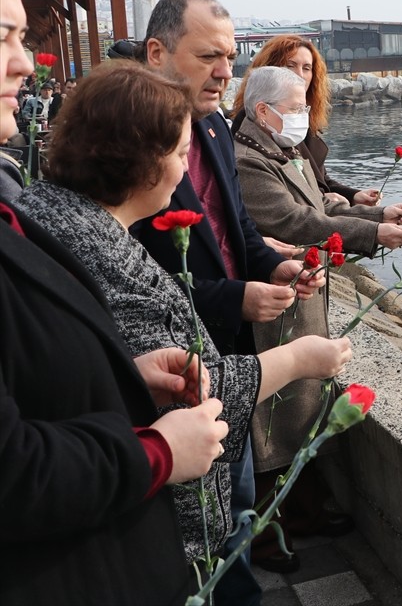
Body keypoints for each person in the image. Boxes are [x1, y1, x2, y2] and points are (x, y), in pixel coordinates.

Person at [16, 62, 352, 572]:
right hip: (150, 532)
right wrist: (300, 359)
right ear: (140, 161)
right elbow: (194, 393)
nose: (183, 173)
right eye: (178, 155)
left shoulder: (61, 219)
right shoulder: (92, 250)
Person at [1, 0, 228, 605]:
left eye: (22, 37)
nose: (24, 63)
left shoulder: (24, 214)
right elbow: (12, 472)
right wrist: (156, 451)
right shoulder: (75, 232)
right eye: (2, 37)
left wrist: (120, 374)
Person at [133, 0, 320, 597]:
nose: (224, 72)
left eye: (230, 57)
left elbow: (236, 227)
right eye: (207, 56)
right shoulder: (133, 138)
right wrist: (235, 297)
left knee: (236, 496)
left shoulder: (214, 126)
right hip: (170, 366)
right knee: (201, 518)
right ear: (157, 53)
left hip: (230, 351)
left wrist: (275, 268)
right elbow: (135, 274)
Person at [232, 65, 402, 567]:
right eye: (295, 108)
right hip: (276, 301)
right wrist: (373, 234)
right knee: (271, 421)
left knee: (301, 409)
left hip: (302, 293)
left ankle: (305, 514)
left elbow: (322, 206)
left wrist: (376, 216)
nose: (302, 116)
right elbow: (296, 221)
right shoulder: (248, 160)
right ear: (263, 111)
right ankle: (266, 535)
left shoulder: (283, 150)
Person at [232, 34, 402, 209]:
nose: (299, 75)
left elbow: (319, 177)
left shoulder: (300, 120)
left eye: (307, 68)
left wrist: (353, 195)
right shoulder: (257, 125)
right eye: (290, 66)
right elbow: (286, 199)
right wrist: (322, 199)